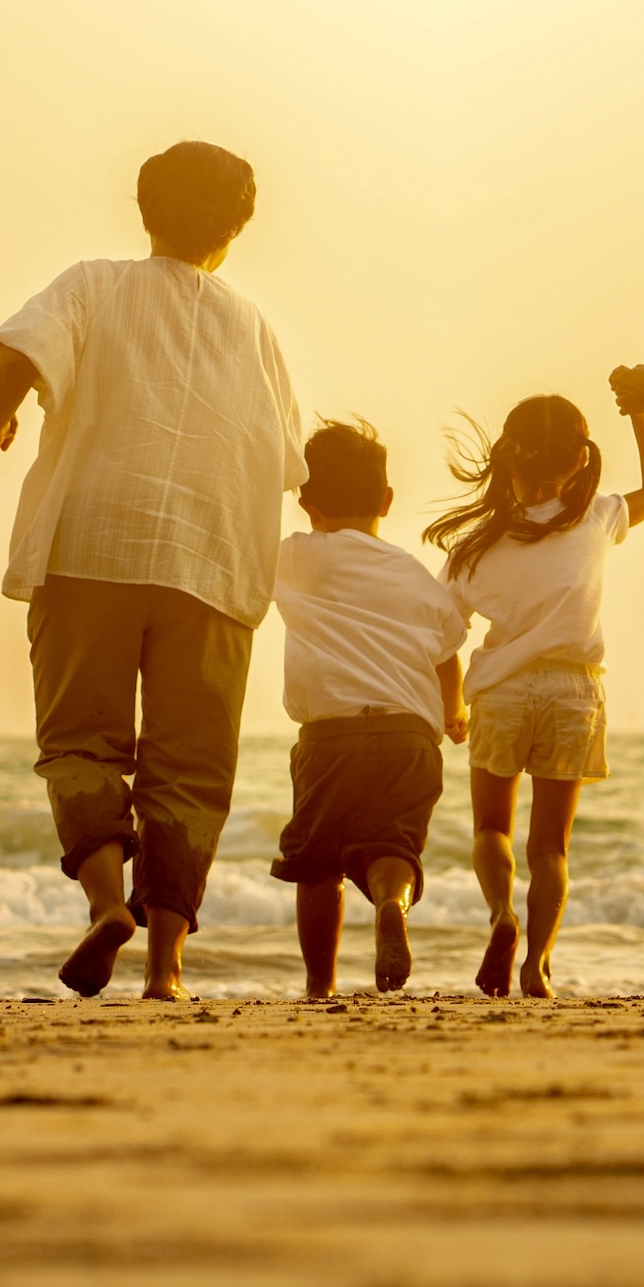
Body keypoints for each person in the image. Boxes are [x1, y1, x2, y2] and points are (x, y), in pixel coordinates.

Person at [0, 141, 304, 1000]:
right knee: (190, 769)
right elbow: (289, 465)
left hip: (91, 549)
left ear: (145, 208)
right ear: (237, 227)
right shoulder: (254, 328)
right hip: (215, 562)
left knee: (81, 741)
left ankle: (107, 904)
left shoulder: (94, 283)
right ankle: (166, 970)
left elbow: (17, 353)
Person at [425, 374, 644, 999]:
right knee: (552, 848)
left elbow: (441, 639)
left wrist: (451, 706)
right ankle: (537, 964)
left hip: (501, 693)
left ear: (504, 459)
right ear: (577, 466)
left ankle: (501, 916)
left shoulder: (471, 548)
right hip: (575, 692)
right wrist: (642, 415)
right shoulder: (596, 517)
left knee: (491, 829)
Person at [269, 420, 471, 997]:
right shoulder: (413, 573)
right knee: (392, 845)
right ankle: (391, 900)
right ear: (386, 499)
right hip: (410, 736)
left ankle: (320, 984)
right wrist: (454, 712)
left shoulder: (296, 557)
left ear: (306, 503)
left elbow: (241, 545)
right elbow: (448, 655)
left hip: (330, 737)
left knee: (318, 866)